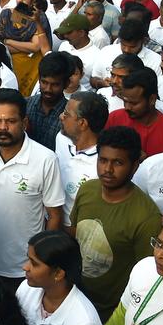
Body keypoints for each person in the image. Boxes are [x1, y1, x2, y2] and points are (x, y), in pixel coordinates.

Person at [0, 88, 64, 289]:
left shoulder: (45, 159)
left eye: (10, 121)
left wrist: (41, 261)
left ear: (24, 123)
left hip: (24, 269)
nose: (3, 127)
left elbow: (54, 215)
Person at [69, 126, 161, 320]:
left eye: (118, 162)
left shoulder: (146, 216)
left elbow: (146, 276)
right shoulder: (87, 190)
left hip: (110, 313)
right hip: (73, 299)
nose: (108, 169)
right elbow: (75, 233)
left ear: (135, 166)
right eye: (103, 160)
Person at [18, 230, 102, 325]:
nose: (25, 267)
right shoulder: (25, 289)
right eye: (27, 259)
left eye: (34, 263)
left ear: (58, 274)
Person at [56, 90, 107, 225]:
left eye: (66, 114)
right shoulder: (61, 139)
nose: (61, 116)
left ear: (82, 123)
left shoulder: (103, 165)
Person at [105, 68, 163, 157]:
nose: (127, 107)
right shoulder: (114, 119)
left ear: (152, 100)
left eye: (134, 103)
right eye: (125, 101)